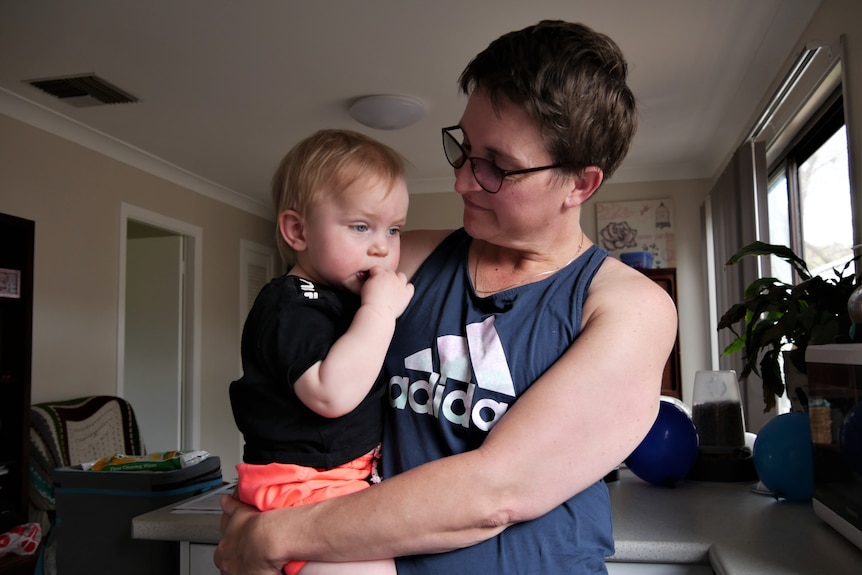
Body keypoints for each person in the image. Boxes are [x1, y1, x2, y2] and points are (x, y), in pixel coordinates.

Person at [216, 20, 677, 575]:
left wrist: (275, 534)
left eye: (497, 167)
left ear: (579, 184)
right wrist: (265, 501)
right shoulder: (400, 261)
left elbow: (495, 492)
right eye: (463, 148)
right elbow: (289, 351)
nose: (461, 181)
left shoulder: (629, 308)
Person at [229, 129, 413, 575]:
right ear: (297, 231)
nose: (381, 246)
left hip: (339, 481)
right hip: (303, 487)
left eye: (393, 230)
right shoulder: (291, 302)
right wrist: (380, 311)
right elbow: (331, 395)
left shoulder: (342, 301)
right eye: (360, 227)